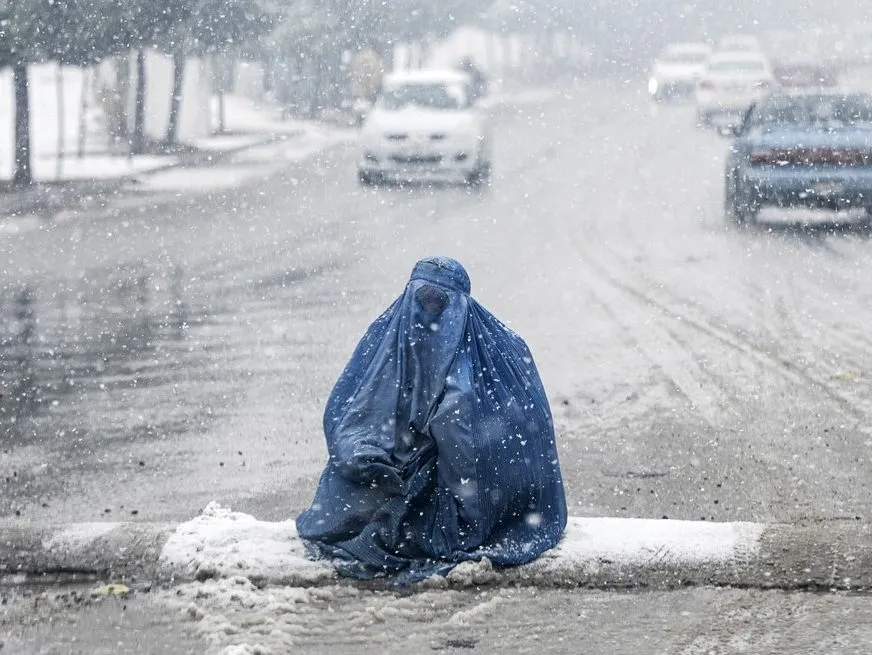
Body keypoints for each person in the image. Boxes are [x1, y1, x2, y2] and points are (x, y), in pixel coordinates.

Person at [296, 257, 567, 583]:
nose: (429, 312)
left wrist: (461, 507)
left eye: (440, 303)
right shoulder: (386, 342)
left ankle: (461, 519)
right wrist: (370, 458)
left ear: (463, 305)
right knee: (359, 497)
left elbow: (484, 446)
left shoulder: (499, 353)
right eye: (422, 301)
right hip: (413, 471)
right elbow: (352, 413)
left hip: (481, 486)